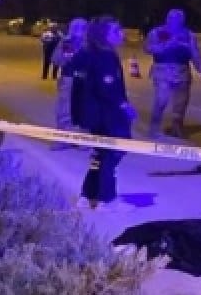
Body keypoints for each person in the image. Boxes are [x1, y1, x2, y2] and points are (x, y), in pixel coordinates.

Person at [69, 15, 137, 209]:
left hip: (91, 114)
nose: (120, 34)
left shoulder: (84, 53)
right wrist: (125, 107)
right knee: (114, 152)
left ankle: (88, 194)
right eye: (115, 31)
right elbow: (108, 88)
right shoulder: (106, 56)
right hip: (107, 114)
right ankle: (106, 199)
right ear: (103, 35)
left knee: (99, 154)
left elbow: (72, 75)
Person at [144, 8, 201, 138]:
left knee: (181, 102)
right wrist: (166, 45)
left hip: (182, 71)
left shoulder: (188, 35)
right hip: (162, 71)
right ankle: (154, 127)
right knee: (161, 100)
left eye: (178, 19)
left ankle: (177, 127)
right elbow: (148, 48)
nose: (175, 21)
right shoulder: (157, 32)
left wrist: (200, 67)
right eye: (172, 19)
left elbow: (194, 53)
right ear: (167, 19)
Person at [51, 17, 88, 149]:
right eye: (75, 27)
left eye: (81, 28)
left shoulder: (91, 43)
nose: (78, 30)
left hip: (85, 80)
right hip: (68, 78)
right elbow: (55, 59)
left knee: (85, 109)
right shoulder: (66, 41)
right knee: (64, 110)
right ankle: (63, 139)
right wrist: (65, 55)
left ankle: (84, 140)